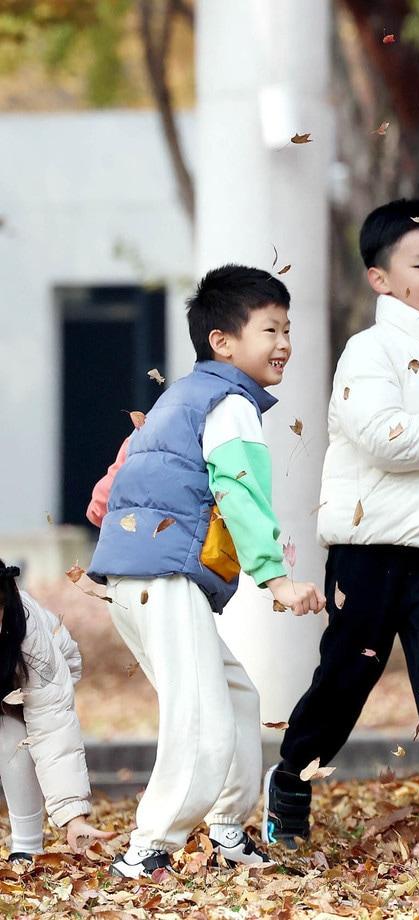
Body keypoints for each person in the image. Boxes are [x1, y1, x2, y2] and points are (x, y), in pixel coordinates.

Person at [263, 199, 419, 850]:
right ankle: (291, 777)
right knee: (346, 677)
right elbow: (381, 436)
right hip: (369, 549)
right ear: (379, 278)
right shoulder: (367, 352)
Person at [87, 264, 325, 878]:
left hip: (137, 577)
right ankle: (150, 848)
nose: (285, 344)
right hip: (162, 578)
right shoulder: (229, 402)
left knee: (234, 693)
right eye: (271, 329)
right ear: (222, 341)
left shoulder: (178, 399)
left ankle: (225, 831)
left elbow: (115, 482)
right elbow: (241, 490)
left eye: (288, 330)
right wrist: (275, 578)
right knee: (201, 717)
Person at [0, 563, 114, 863]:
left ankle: (27, 845)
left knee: (10, 734)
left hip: (37, 686)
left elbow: (52, 724)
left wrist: (72, 817)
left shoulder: (31, 638)